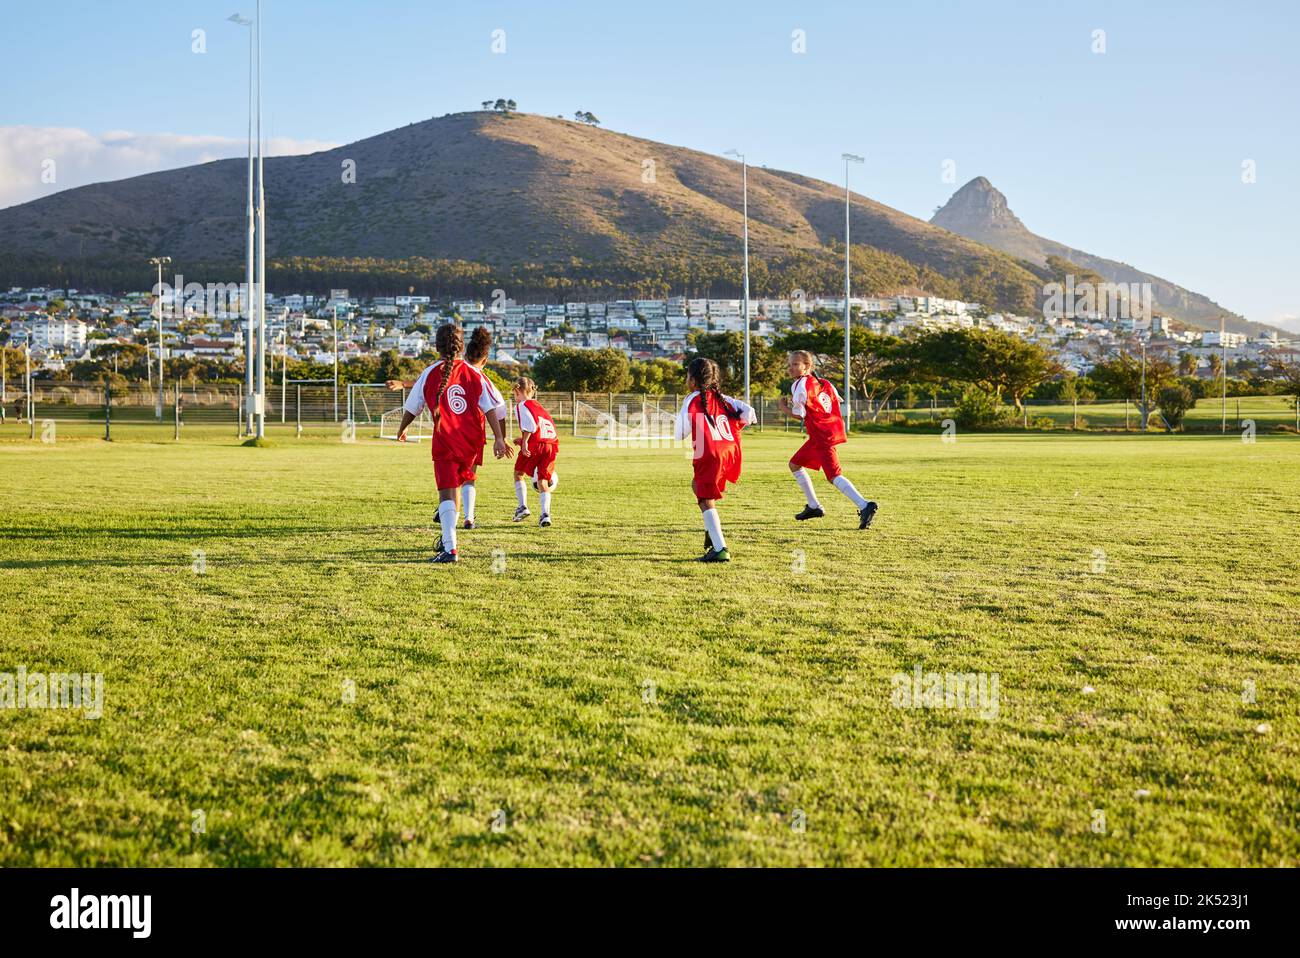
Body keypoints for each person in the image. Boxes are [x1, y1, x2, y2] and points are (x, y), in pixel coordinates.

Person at [395, 324, 509, 563]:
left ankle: (450, 548)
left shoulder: (430, 373)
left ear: (436, 346)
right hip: (470, 442)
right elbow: (490, 408)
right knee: (456, 490)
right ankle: (450, 537)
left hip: (446, 440)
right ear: (460, 346)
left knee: (447, 494)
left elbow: (412, 407)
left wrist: (403, 427)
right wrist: (499, 438)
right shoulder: (472, 372)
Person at [778, 350, 878, 529]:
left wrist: (783, 407)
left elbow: (799, 415)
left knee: (833, 475)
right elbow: (834, 401)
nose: (790, 368)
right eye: (790, 364)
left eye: (795, 364)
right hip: (826, 432)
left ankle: (864, 505)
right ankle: (814, 506)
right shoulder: (824, 383)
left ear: (807, 366)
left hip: (821, 435)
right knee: (794, 465)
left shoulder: (799, 385)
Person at [674, 357, 755, 562]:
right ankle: (711, 530)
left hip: (709, 453)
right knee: (697, 486)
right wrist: (732, 427)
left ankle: (720, 549)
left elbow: (679, 434)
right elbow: (749, 413)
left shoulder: (692, 399)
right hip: (729, 450)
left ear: (692, 380)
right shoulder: (723, 398)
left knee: (704, 498)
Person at [510, 377, 559, 527]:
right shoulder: (538, 406)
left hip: (535, 445)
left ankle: (522, 507)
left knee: (518, 473)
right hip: (550, 445)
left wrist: (525, 442)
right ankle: (545, 515)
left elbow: (530, 426)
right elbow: (540, 427)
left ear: (517, 391)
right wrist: (523, 439)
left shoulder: (520, 405)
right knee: (542, 481)